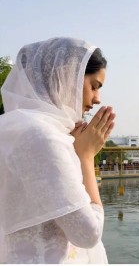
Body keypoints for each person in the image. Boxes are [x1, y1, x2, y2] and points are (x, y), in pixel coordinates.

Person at [0, 37, 116, 263]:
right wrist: (85, 157)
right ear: (67, 75)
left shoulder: (15, 127)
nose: (96, 99)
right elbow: (88, 234)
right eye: (94, 86)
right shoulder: (42, 135)